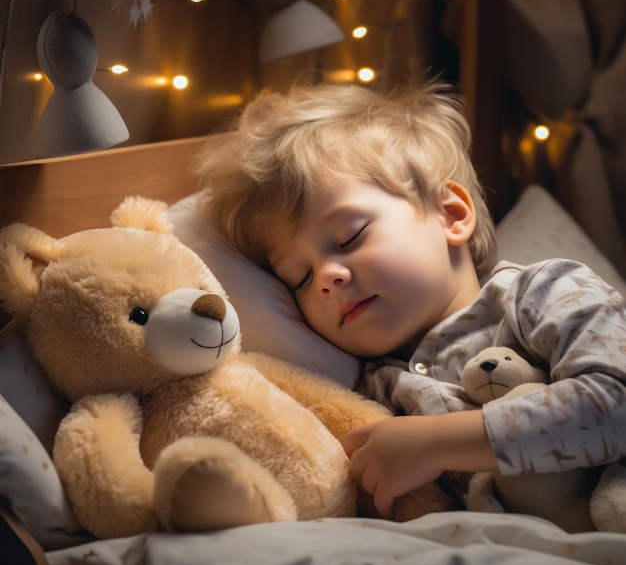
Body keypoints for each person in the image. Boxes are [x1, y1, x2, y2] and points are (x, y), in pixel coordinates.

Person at [200, 81, 626, 520]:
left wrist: (437, 441)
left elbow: (616, 402)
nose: (326, 277)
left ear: (451, 214)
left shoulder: (542, 292)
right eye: (300, 277)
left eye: (350, 236)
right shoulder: (372, 392)